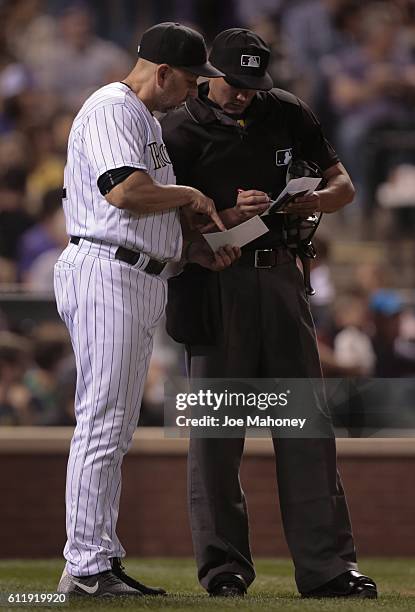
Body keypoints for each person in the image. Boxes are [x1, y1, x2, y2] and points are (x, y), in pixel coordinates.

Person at [161, 28, 377, 598]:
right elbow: (161, 223)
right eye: (234, 84)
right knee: (216, 435)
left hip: (280, 273)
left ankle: (328, 568)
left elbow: (343, 185)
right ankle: (224, 569)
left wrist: (315, 199)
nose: (242, 96)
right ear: (210, 74)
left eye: (253, 85)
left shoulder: (284, 111)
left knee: (306, 426)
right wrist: (225, 214)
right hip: (214, 285)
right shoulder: (177, 128)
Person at [55, 22, 240, 599]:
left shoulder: (145, 120)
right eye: (188, 81)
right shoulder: (113, 107)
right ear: (161, 72)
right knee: (103, 424)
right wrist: (187, 196)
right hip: (108, 272)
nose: (193, 92)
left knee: (114, 425)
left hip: (136, 273)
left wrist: (192, 249)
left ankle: (95, 562)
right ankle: (86, 568)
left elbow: (142, 212)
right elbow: (123, 192)